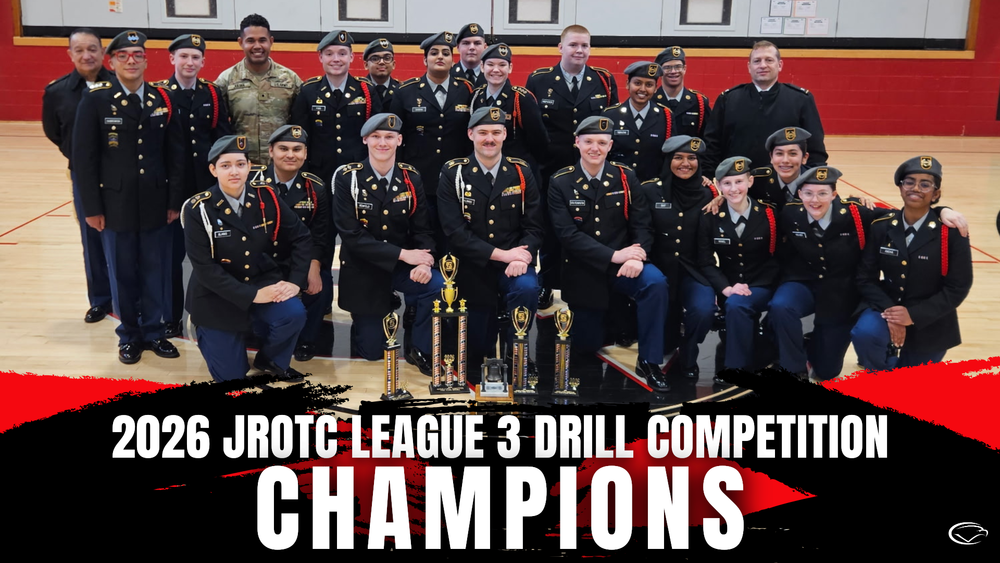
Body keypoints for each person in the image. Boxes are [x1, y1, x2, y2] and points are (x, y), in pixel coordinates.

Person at [73, 30, 183, 364]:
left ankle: (154, 332)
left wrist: (173, 202)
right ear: (112, 62)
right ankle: (129, 336)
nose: (131, 61)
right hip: (114, 205)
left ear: (147, 60)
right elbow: (84, 159)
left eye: (137, 54)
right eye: (124, 56)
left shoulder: (162, 99)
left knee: (155, 270)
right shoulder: (96, 99)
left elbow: (175, 156)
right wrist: (91, 208)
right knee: (122, 272)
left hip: (155, 202)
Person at [547, 116, 669, 390]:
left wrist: (639, 255)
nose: (595, 148)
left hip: (625, 265)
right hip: (585, 270)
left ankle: (650, 361)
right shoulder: (560, 182)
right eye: (588, 141)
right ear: (577, 142)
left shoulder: (626, 177)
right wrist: (616, 256)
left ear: (610, 145)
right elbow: (568, 235)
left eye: (602, 143)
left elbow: (642, 224)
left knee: (655, 283)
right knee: (587, 345)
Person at [182, 135, 312, 382]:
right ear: (213, 169)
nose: (234, 172)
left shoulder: (267, 197)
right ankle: (211, 334)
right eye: (225, 165)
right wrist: (251, 296)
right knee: (232, 377)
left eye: (240, 164)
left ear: (249, 167)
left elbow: (302, 237)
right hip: (216, 296)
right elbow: (205, 269)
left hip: (259, 279)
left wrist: (295, 281)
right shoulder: (198, 209)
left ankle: (270, 360)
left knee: (293, 313)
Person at [333, 113, 444, 372]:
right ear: (365, 140)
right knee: (372, 353)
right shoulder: (348, 178)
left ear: (399, 140)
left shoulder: (410, 177)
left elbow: (422, 229)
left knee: (436, 285)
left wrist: (426, 262)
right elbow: (353, 237)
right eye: (376, 137)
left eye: (389, 137)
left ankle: (420, 346)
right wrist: (406, 255)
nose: (383, 143)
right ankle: (376, 308)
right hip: (364, 269)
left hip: (399, 268)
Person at [437, 107, 544, 376]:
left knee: (528, 288)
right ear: (470, 134)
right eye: (483, 132)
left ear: (505, 135)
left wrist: (525, 255)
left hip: (515, 263)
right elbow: (455, 233)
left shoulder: (521, 172)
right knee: (477, 348)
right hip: (473, 264)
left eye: (496, 132)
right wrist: (503, 255)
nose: (489, 139)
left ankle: (517, 349)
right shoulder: (454, 174)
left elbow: (534, 225)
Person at [526, 24, 618, 309]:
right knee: (552, 231)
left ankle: (585, 285)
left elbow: (608, 126)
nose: (579, 51)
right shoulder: (539, 80)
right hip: (551, 170)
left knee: (589, 228)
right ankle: (546, 284)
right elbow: (532, 128)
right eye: (574, 45)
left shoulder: (603, 80)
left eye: (585, 46)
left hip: (590, 170)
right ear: (560, 47)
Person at [850, 156, 972, 371]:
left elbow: (958, 287)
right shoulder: (882, 226)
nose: (916, 188)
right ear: (901, 187)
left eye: (925, 184)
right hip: (886, 305)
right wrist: (893, 313)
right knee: (865, 333)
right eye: (909, 181)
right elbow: (865, 278)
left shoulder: (951, 233)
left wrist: (912, 315)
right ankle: (879, 367)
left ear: (936, 194)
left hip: (931, 316)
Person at [771, 166, 887, 380]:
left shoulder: (857, 213)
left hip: (841, 291)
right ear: (799, 194)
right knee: (780, 306)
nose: (815, 200)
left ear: (834, 195)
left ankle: (811, 343)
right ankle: (794, 369)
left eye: (823, 193)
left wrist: (940, 211)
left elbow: (903, 217)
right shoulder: (791, 212)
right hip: (804, 282)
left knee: (826, 372)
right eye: (808, 193)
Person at [156, 33, 233, 338]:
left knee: (215, 256)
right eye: (184, 56)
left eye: (195, 57)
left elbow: (222, 142)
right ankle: (171, 316)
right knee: (172, 259)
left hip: (207, 193)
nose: (190, 62)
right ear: (172, 58)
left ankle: (211, 313)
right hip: (171, 193)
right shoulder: (159, 95)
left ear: (203, 61)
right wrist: (167, 198)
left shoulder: (212, 94)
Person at [42, 27, 114, 324]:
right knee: (92, 237)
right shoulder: (57, 92)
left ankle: (129, 297)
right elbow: (55, 133)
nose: (87, 55)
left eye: (93, 49)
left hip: (120, 177)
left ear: (102, 52)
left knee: (122, 239)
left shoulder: (122, 85)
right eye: (80, 50)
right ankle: (100, 299)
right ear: (70, 54)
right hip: (84, 179)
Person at [636, 136, 717, 380]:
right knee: (663, 341)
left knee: (703, 311)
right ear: (667, 160)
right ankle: (655, 349)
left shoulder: (708, 195)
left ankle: (690, 349)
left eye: (692, 158)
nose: (685, 163)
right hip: (659, 270)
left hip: (693, 270)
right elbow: (642, 230)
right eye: (678, 158)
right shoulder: (650, 190)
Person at [249, 125, 331, 362]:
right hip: (260, 261)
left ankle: (306, 340)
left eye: (297, 149)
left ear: (305, 154)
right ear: (271, 151)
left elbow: (320, 234)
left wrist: (314, 267)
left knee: (320, 283)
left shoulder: (315, 188)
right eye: (283, 148)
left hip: (298, 259)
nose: (290, 155)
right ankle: (259, 332)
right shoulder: (251, 183)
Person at [697, 156, 779, 373]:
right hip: (729, 284)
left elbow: (779, 257)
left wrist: (754, 287)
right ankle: (738, 366)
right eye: (726, 183)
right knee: (734, 306)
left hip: (763, 284)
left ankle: (738, 364)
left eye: (739, 181)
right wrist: (726, 287)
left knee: (741, 307)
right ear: (718, 185)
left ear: (750, 181)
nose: (733, 189)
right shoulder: (710, 216)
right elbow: (705, 262)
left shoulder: (769, 214)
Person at [702, 41, 826, 179]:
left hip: (784, 182)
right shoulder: (728, 99)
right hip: (737, 182)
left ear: (779, 65)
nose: (762, 65)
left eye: (769, 60)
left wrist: (815, 181)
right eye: (757, 61)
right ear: (749, 67)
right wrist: (707, 178)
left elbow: (815, 148)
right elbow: (712, 144)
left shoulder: (801, 99)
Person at [389, 32, 474, 229]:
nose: (440, 57)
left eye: (446, 53)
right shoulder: (405, 92)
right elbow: (396, 137)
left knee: (453, 232)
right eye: (434, 53)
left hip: (457, 176)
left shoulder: (466, 90)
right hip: (418, 175)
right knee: (422, 231)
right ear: (425, 59)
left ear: (453, 60)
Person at [291, 29, 382, 186]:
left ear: (351, 57)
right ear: (320, 57)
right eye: (329, 54)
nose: (336, 59)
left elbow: (377, 135)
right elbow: (300, 137)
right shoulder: (308, 91)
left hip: (358, 172)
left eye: (342, 53)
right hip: (318, 174)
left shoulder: (366, 91)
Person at [215, 13, 302, 166]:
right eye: (250, 41)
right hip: (242, 166)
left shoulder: (290, 79)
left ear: (271, 41)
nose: (257, 46)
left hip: (281, 166)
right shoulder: (227, 80)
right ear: (241, 42)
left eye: (262, 40)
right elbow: (217, 125)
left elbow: (301, 122)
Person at [470, 43, 549, 183]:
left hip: (515, 172)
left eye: (502, 65)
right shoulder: (476, 97)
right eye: (490, 64)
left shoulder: (521, 98)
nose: (496, 70)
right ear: (482, 67)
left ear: (510, 68)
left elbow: (539, 140)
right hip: (482, 171)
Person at [603, 61, 673, 182]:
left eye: (649, 85)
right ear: (627, 84)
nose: (642, 89)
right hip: (617, 184)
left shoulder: (665, 116)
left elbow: (669, 156)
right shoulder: (610, 115)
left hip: (651, 186)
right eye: (637, 83)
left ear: (656, 88)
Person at [653, 46, 712, 138]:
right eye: (667, 67)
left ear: (684, 69)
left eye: (678, 67)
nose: (673, 71)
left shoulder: (699, 103)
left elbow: (708, 138)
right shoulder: (651, 101)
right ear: (660, 72)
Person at [363, 38, 400, 105]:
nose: (382, 62)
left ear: (393, 64)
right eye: (375, 59)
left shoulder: (401, 90)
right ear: (366, 65)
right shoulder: (358, 90)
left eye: (387, 58)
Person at [451, 23, 488, 88]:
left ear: (485, 47)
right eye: (466, 43)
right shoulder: (448, 75)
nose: (472, 47)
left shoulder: (491, 76)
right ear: (458, 47)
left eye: (477, 43)